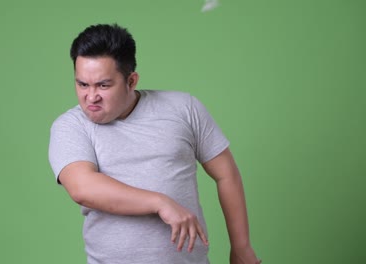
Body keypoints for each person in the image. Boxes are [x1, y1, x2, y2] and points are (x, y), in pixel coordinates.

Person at [49, 23, 261, 264]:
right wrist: (160, 203)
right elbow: (83, 188)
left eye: (103, 85)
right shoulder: (70, 126)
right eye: (82, 84)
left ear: (131, 81)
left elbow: (227, 174)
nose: (91, 96)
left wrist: (241, 247)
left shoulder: (184, 108)